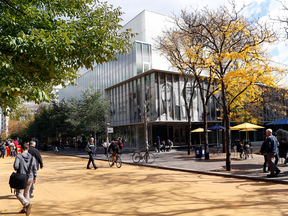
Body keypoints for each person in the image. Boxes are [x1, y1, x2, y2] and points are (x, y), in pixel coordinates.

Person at [13, 142, 37, 215]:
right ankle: (25, 209)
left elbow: (16, 167)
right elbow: (35, 169)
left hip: (21, 178)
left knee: (18, 194)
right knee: (26, 193)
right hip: (30, 177)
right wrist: (35, 177)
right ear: (28, 149)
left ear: (22, 149)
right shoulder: (32, 158)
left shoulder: (19, 156)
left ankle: (27, 204)